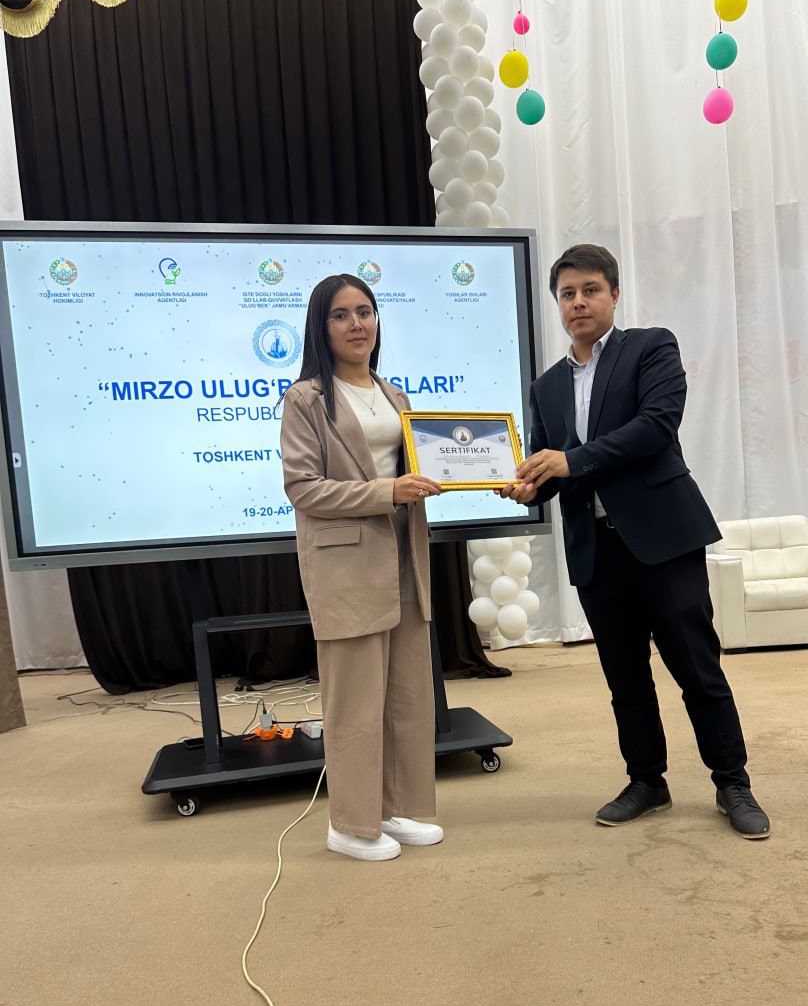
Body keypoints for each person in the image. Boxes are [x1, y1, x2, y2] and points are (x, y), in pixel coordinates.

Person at [497, 243, 770, 840]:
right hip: (596, 551)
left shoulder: (651, 347)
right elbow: (552, 467)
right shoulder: (546, 386)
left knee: (697, 670)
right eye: (567, 294)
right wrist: (527, 486)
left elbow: (655, 427)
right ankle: (647, 781)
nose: (578, 302)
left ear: (614, 294)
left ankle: (733, 783)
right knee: (625, 680)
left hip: (664, 540)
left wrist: (568, 461)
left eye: (590, 290)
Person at [280, 273, 444, 860]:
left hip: (403, 554)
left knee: (405, 694)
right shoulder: (305, 399)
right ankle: (349, 825)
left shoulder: (394, 396)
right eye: (341, 315)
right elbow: (303, 488)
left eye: (365, 312)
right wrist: (386, 492)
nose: (357, 325)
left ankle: (391, 808)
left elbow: (415, 468)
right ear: (321, 327)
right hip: (346, 563)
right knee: (355, 702)